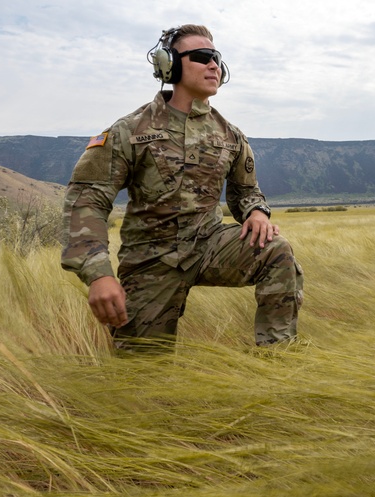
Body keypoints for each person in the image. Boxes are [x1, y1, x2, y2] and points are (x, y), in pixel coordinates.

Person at [61, 24, 303, 347]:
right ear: (169, 64)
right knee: (142, 372)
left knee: (276, 252)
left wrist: (257, 213)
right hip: (151, 260)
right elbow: (86, 200)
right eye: (202, 57)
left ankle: (278, 365)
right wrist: (98, 272)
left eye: (216, 58)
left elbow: (246, 191)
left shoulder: (230, 136)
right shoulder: (130, 130)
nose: (214, 65)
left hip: (209, 245)